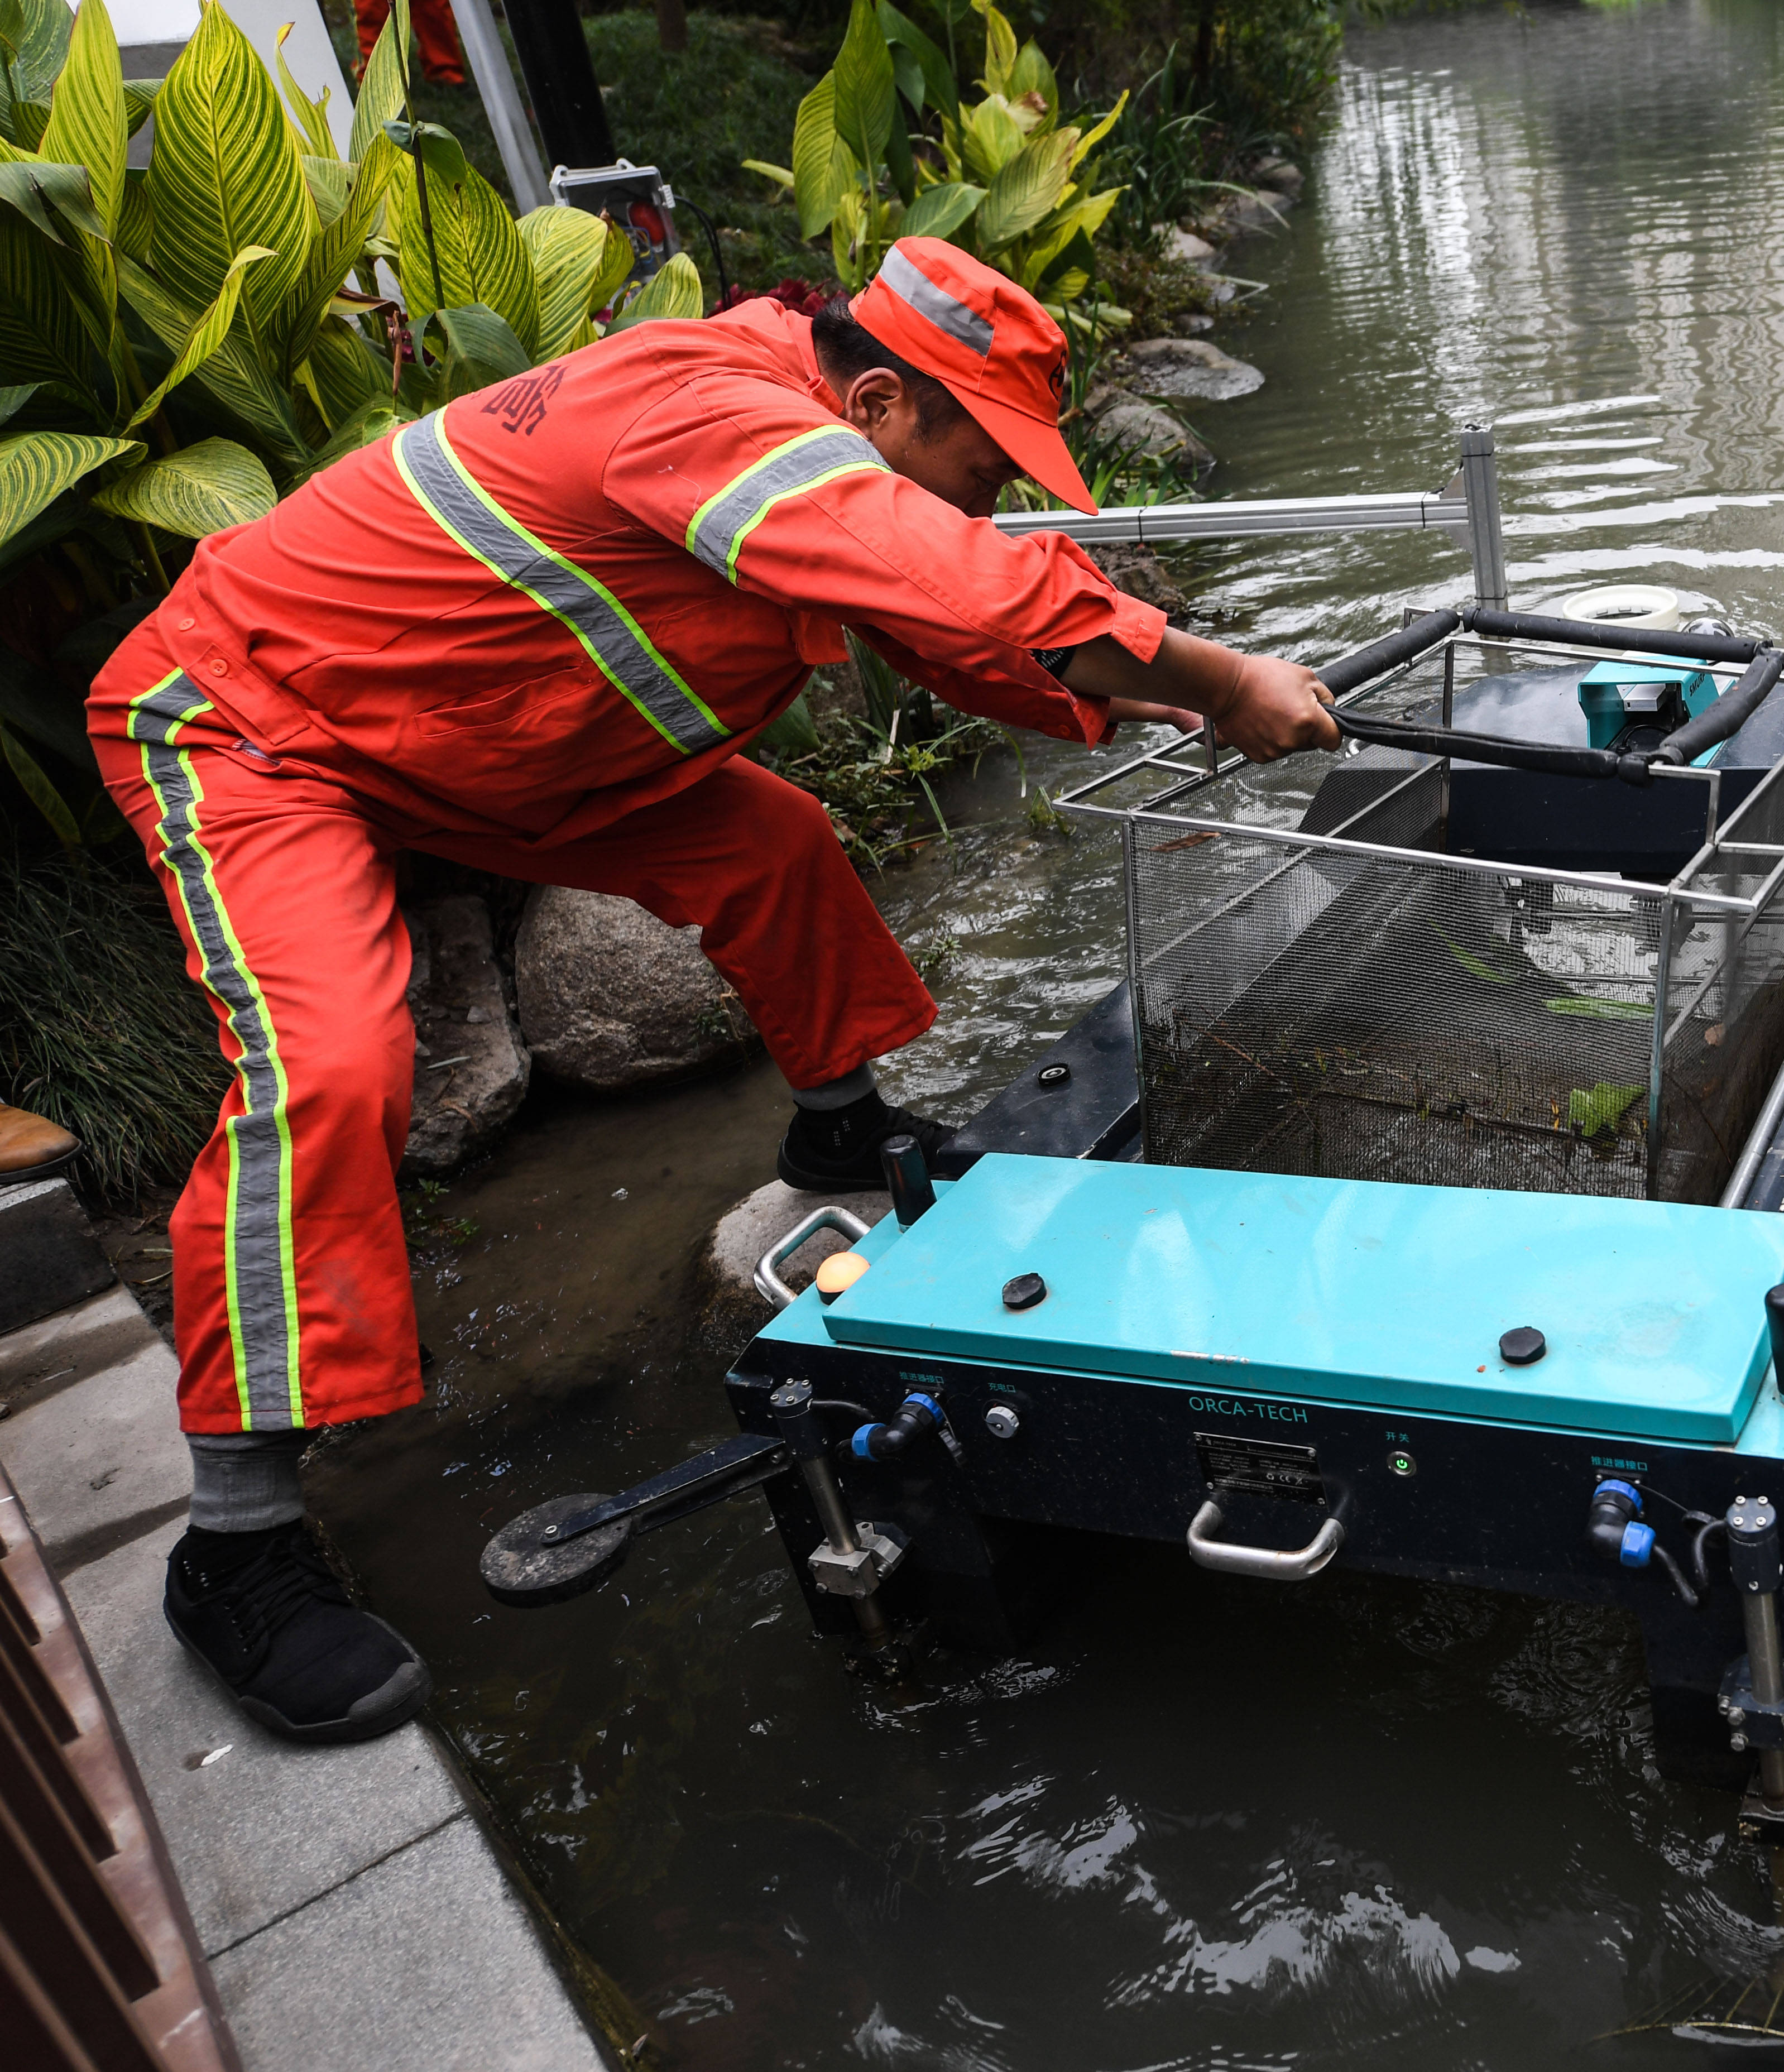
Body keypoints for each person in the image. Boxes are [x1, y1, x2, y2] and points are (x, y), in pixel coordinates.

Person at [88, 239, 1339, 1745]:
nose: (993, 503)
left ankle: (834, 1138)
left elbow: (959, 630)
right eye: (983, 467)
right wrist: (1214, 678)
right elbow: (967, 579)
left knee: (773, 840)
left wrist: (1141, 690)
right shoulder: (708, 413)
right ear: (874, 401)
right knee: (334, 1064)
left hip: (478, 733)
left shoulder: (801, 438)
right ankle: (235, 1546)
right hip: (255, 722)